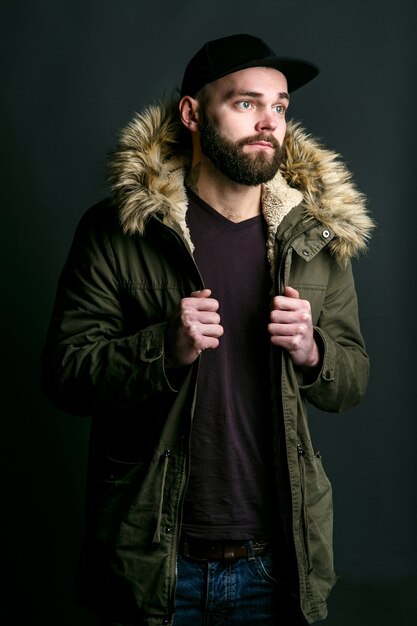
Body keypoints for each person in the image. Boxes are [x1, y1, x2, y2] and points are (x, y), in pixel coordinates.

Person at [41, 33, 373, 626]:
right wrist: (160, 349)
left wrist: (312, 351)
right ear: (193, 114)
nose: (269, 121)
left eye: (279, 106)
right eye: (246, 103)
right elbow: (64, 375)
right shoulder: (122, 230)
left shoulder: (316, 238)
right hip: (155, 562)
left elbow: (352, 380)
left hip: (278, 561)